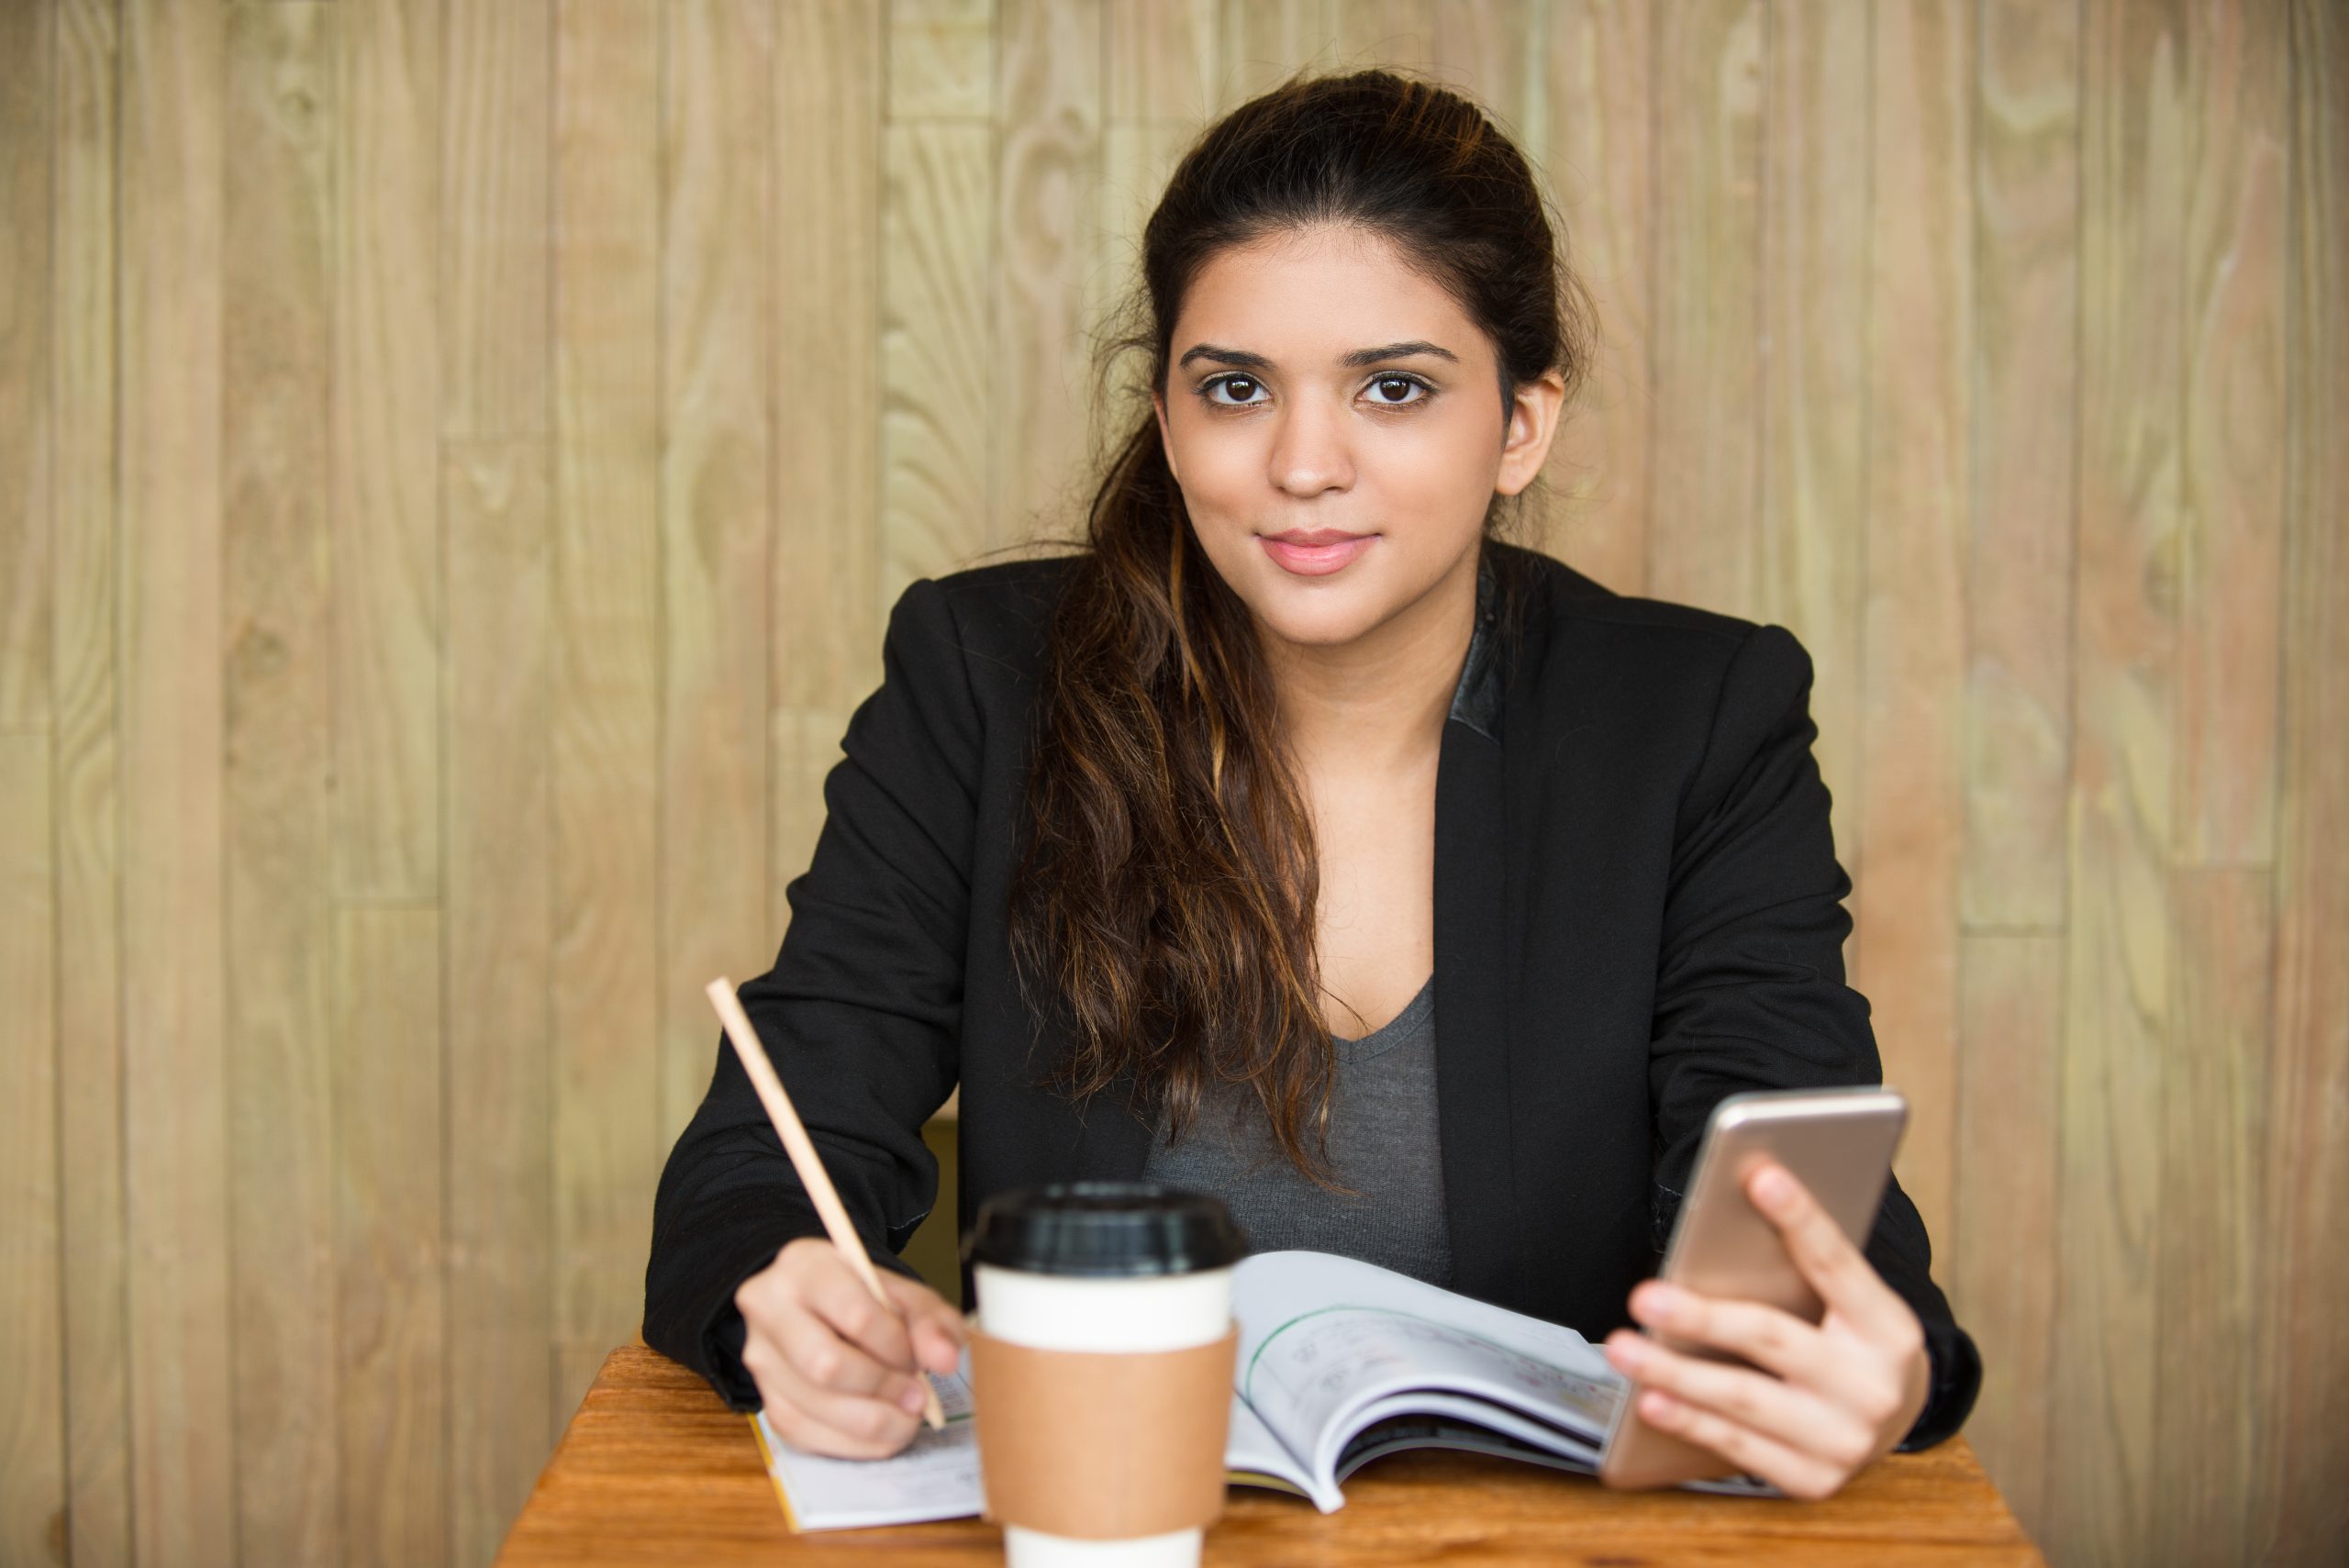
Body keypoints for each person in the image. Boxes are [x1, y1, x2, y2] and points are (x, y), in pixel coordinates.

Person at [644, 67, 1981, 1501]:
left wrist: (1882, 1360)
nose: (1302, 464)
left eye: (1393, 388)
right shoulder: (984, 678)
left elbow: (1798, 1192)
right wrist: (781, 1294)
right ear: (1166, 417)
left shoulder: (1697, 718)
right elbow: (765, 1152)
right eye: (1235, 389)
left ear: (1523, 422)